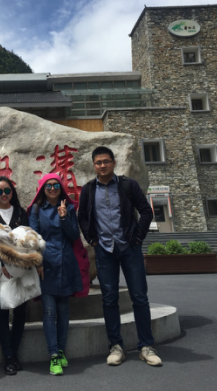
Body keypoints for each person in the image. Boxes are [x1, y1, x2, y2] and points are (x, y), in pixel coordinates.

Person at [78, 146, 163, 368]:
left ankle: (146, 346)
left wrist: (138, 237)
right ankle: (116, 346)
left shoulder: (128, 185)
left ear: (113, 163)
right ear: (94, 165)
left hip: (129, 248)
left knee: (139, 297)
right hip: (104, 250)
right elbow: (82, 217)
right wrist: (92, 240)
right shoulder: (88, 190)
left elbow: (146, 211)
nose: (102, 165)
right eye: (98, 162)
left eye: (106, 161)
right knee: (109, 298)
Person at [28, 174, 83, 376]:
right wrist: (38, 262)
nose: (52, 188)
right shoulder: (36, 210)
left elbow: (75, 235)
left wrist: (64, 217)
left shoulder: (68, 209)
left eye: (56, 185)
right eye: (48, 185)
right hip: (47, 264)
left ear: (61, 188)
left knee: (64, 311)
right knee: (50, 312)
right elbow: (33, 238)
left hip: (66, 263)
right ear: (43, 189)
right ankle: (53, 354)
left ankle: (61, 351)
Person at [0, 176, 30, 376]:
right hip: (2, 268)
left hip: (20, 266)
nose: (3, 194)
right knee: (2, 310)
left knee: (20, 310)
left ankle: (14, 353)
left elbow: (27, 237)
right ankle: (8, 356)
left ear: (12, 191)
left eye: (7, 190)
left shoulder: (21, 212)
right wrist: (5, 264)